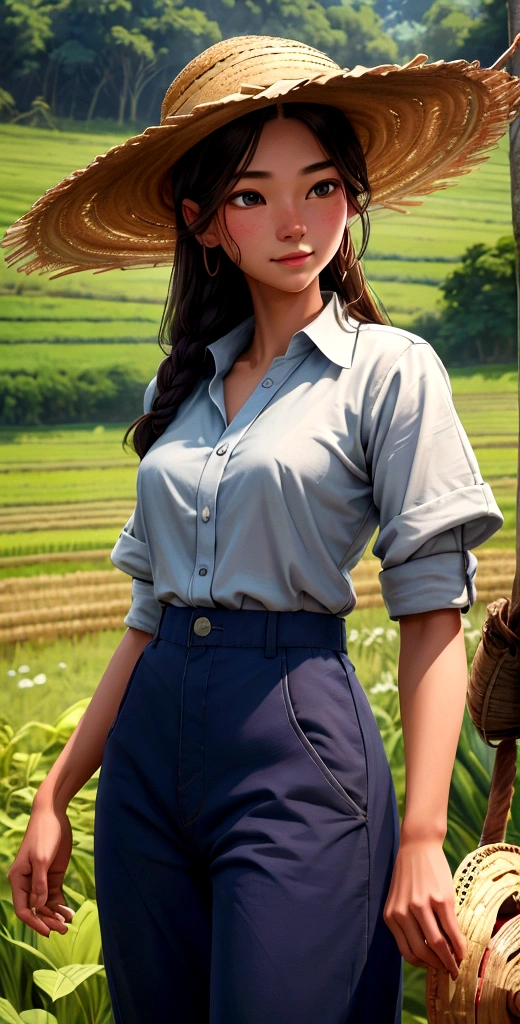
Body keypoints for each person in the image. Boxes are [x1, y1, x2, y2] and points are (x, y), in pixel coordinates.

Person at [3, 33, 519, 1024]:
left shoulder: (390, 372)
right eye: (252, 194)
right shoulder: (180, 386)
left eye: (319, 187)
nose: (293, 221)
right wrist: (56, 791)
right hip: (148, 765)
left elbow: (429, 611)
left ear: (351, 198)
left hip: (295, 744)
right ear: (204, 223)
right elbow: (148, 610)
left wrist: (421, 835)